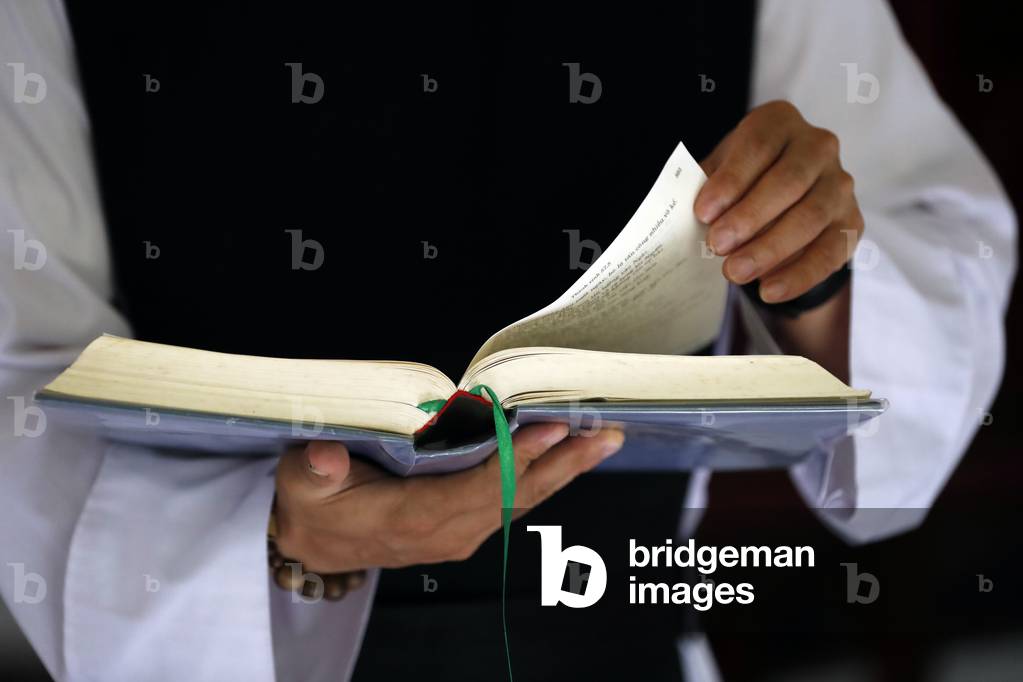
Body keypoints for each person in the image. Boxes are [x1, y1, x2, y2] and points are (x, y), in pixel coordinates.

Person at [0, 1, 1014, 681]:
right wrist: (282, 543)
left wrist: (817, 273)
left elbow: (924, 241)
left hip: (619, 628)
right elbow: (20, 374)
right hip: (233, 639)